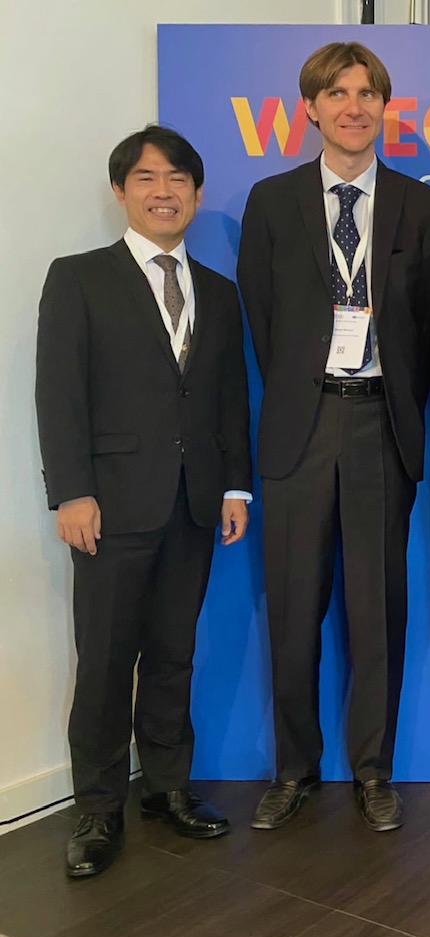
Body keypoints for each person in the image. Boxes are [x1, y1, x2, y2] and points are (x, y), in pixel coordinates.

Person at [237, 42, 430, 832]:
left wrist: (385, 396)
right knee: (293, 612)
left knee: (377, 612)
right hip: (300, 427)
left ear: (384, 108)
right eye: (337, 93)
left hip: (379, 428)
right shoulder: (270, 200)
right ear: (312, 109)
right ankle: (293, 770)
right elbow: (263, 319)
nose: (353, 106)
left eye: (367, 93)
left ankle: (372, 771)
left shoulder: (420, 208)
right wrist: (309, 386)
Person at [35, 126, 251, 878]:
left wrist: (233, 484)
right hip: (111, 508)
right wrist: (71, 491)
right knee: (103, 662)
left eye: (179, 180)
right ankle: (96, 810)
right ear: (121, 191)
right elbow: (59, 395)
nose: (165, 192)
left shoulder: (219, 293)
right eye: (148, 179)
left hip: (193, 505)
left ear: (194, 193)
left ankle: (166, 789)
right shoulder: (80, 278)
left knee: (172, 656)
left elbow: (226, 398)